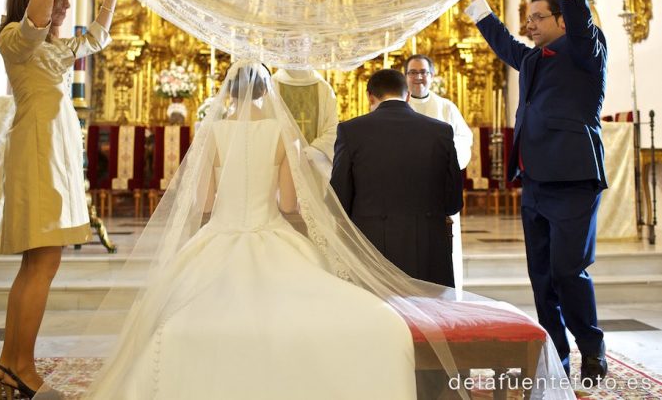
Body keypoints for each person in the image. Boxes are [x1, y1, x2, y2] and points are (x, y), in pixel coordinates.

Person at [85, 63, 417, 399]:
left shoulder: (211, 133)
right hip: (270, 231)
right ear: (266, 90)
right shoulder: (281, 133)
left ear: (229, 91)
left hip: (220, 233)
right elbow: (289, 204)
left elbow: (205, 202)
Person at [464, 0, 608, 382]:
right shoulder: (531, 59)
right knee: (542, 278)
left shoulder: (585, 51)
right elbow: (502, 41)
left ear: (562, 21)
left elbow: (581, 19)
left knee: (568, 271)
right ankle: (557, 359)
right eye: (527, 18)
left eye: (537, 17)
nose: (529, 25)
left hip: (573, 179)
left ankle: (592, 348)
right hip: (535, 183)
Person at [0, 0, 122, 399]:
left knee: (38, 264)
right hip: (37, 152)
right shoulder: (16, 40)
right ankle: (21, 365)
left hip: (54, 153)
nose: (65, 7)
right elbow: (35, 24)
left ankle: (10, 363)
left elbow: (97, 37)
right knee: (42, 263)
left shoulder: (54, 50)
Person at [330, 69, 463, 285]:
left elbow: (339, 197)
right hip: (428, 246)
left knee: (377, 306)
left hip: (371, 243)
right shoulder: (441, 131)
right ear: (408, 95)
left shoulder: (350, 131)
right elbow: (453, 201)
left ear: (370, 97)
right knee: (429, 305)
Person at [405, 54, 472, 292]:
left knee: (442, 247)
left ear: (432, 76)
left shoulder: (446, 107)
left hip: (439, 188)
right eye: (413, 72)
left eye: (423, 72)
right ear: (405, 77)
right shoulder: (400, 107)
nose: (418, 77)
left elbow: (464, 140)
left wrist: (446, 159)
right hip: (407, 188)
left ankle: (446, 294)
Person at [271, 68, 338, 171]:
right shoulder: (272, 85)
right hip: (283, 164)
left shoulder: (324, 88)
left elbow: (333, 129)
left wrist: (311, 152)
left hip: (315, 164)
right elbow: (268, 127)